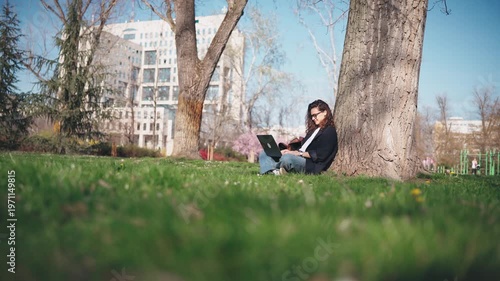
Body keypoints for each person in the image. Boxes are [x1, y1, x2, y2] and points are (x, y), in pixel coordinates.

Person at [258, 99, 338, 175]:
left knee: (287, 158)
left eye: (315, 115)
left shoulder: (329, 131)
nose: (313, 118)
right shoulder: (312, 131)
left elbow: (320, 155)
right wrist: (288, 150)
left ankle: (274, 170)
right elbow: (302, 147)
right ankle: (271, 172)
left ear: (325, 112)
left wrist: (297, 153)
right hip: (297, 155)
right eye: (312, 116)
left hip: (310, 163)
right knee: (265, 153)